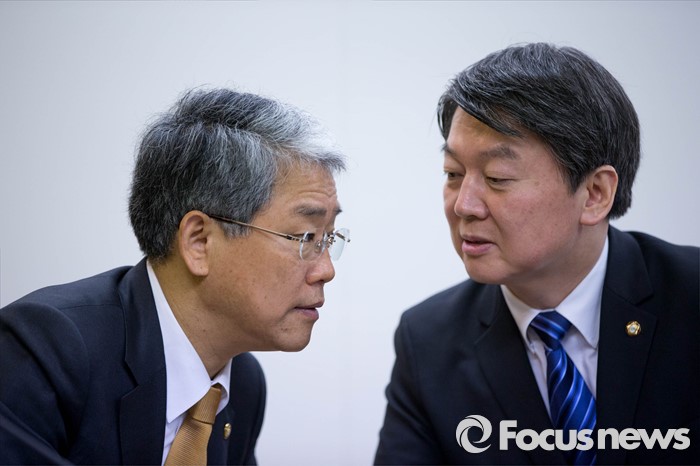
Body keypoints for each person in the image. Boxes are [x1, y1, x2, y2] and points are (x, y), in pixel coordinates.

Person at [375, 43, 699, 465]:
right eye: (453, 174)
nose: (463, 205)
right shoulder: (429, 341)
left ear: (595, 194)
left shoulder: (690, 297)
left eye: (497, 177)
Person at [0, 88, 349, 465]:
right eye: (305, 237)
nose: (326, 270)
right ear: (199, 242)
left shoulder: (243, 385)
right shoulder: (48, 349)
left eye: (329, 239)